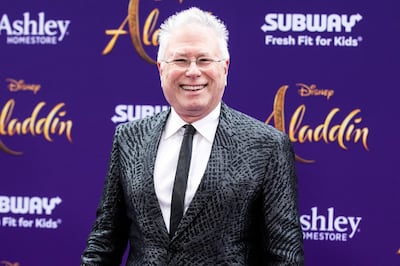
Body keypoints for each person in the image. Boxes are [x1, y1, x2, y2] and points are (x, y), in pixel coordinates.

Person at [81, 6, 304, 265]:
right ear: (161, 69)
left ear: (225, 67)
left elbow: (285, 255)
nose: (193, 71)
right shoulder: (129, 137)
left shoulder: (267, 146)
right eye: (180, 60)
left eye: (204, 60)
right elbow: (104, 240)